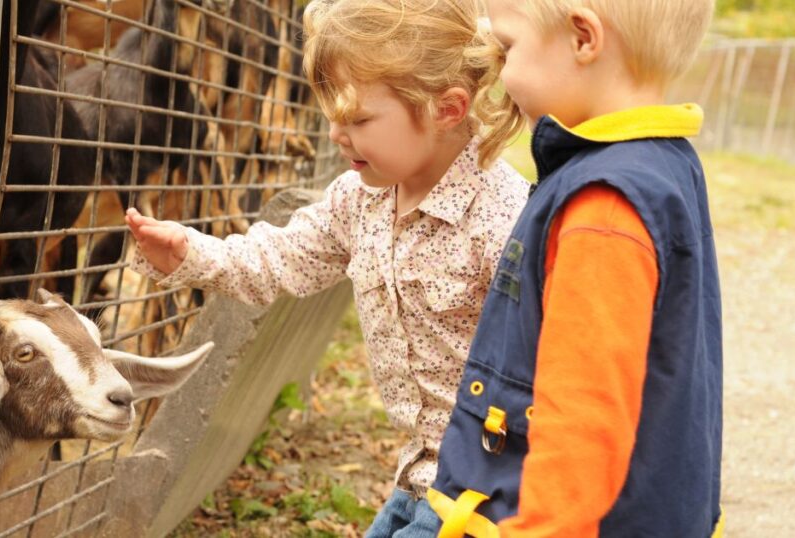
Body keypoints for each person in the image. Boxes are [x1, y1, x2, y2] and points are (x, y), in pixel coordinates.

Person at [125, 0, 528, 534]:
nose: (338, 135)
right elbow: (280, 259)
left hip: (484, 485)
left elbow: (548, 360)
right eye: (333, 116)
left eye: (358, 119)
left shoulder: (503, 221)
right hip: (420, 472)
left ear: (447, 109)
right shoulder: (360, 201)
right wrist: (192, 255)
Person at [428, 1, 723, 537]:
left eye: (508, 47)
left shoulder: (603, 207)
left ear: (583, 39)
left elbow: (582, 420)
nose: (497, 66)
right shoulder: (664, 161)